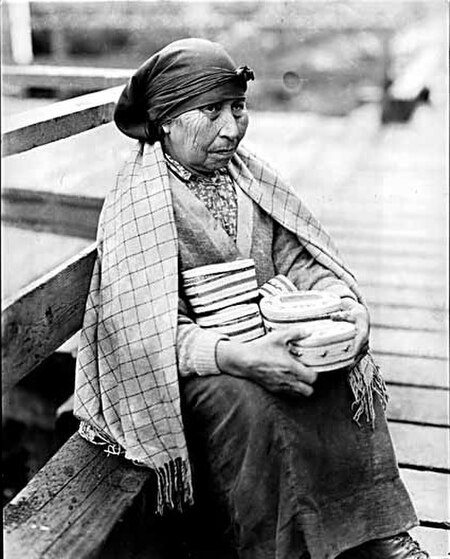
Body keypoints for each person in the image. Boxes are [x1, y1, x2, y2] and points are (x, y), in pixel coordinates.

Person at [74, 38, 428, 559]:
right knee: (251, 403)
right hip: (183, 376)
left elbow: (299, 260)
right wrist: (239, 356)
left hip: (259, 339)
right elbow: (140, 334)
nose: (231, 128)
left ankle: (374, 535)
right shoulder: (140, 202)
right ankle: (282, 550)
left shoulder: (249, 179)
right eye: (211, 111)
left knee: (339, 370)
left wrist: (341, 304)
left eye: (238, 108)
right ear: (166, 120)